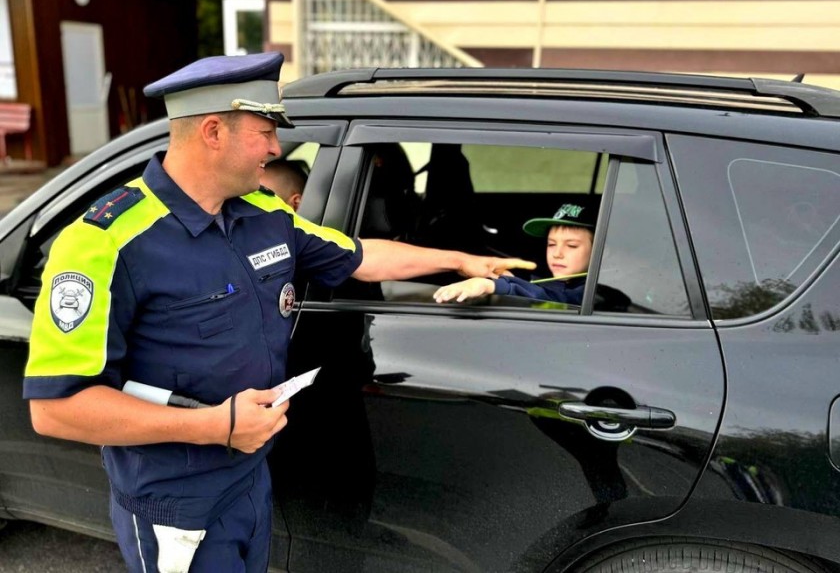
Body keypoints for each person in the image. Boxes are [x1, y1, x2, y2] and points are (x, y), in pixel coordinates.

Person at [22, 51, 535, 573]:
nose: (275, 147)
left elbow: (360, 257)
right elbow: (56, 409)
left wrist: (462, 259)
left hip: (251, 477)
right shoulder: (105, 241)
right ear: (213, 131)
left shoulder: (265, 213)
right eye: (264, 131)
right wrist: (216, 427)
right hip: (175, 498)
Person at [434, 202, 595, 306]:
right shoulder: (557, 281)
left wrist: (492, 285)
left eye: (572, 246)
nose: (557, 253)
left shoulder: (596, 292)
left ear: (600, 251)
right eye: (551, 244)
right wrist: (511, 281)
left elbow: (559, 299)